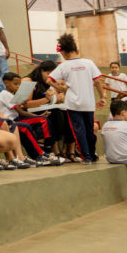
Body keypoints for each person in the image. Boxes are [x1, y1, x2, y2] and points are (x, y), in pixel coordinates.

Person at [48, 33, 105, 164]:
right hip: (88, 103)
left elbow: (49, 80)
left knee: (79, 131)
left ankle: (87, 157)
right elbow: (97, 82)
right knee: (90, 131)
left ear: (63, 52)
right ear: (76, 49)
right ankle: (92, 153)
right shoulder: (89, 63)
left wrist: (61, 88)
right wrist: (102, 97)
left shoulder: (63, 66)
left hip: (73, 104)